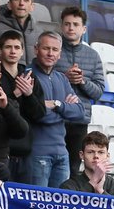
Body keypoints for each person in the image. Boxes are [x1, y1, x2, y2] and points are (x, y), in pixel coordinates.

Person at [28, 30, 85, 188]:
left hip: (62, 153)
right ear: (36, 49)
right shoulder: (28, 76)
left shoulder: (62, 78)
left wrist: (56, 104)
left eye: (55, 50)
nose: (50, 53)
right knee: (38, 208)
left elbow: (80, 112)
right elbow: (38, 115)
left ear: (59, 54)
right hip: (38, 154)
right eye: (46, 48)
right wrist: (65, 110)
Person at [57, 6, 105, 174]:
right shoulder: (52, 51)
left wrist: (82, 81)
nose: (71, 28)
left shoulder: (93, 55)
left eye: (75, 24)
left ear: (83, 29)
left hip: (80, 121)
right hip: (55, 118)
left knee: (73, 169)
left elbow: (99, 92)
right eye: (67, 24)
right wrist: (65, 78)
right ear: (61, 26)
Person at [0, 29, 46, 181]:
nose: (12, 51)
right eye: (8, 47)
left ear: (23, 51)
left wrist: (29, 94)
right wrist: (15, 94)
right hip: (0, 151)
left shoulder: (29, 77)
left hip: (26, 152)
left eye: (17, 47)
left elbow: (40, 114)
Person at [0, 0, 37, 65]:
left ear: (32, 6)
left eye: (25, 0)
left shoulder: (40, 33)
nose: (21, 3)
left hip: (32, 78)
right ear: (9, 5)